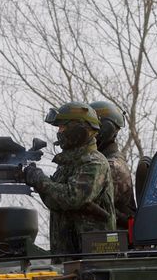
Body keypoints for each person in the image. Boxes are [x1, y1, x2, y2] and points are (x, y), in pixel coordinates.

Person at [24, 101, 116, 254]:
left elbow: (73, 197)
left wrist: (40, 180)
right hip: (68, 255)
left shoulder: (94, 162)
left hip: (91, 258)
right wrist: (35, 181)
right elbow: (55, 201)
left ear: (78, 130)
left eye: (63, 126)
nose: (59, 132)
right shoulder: (68, 163)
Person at [90, 101, 137, 230]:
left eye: (91, 128)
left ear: (103, 130)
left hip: (111, 245)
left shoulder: (112, 166)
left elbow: (80, 201)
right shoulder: (101, 162)